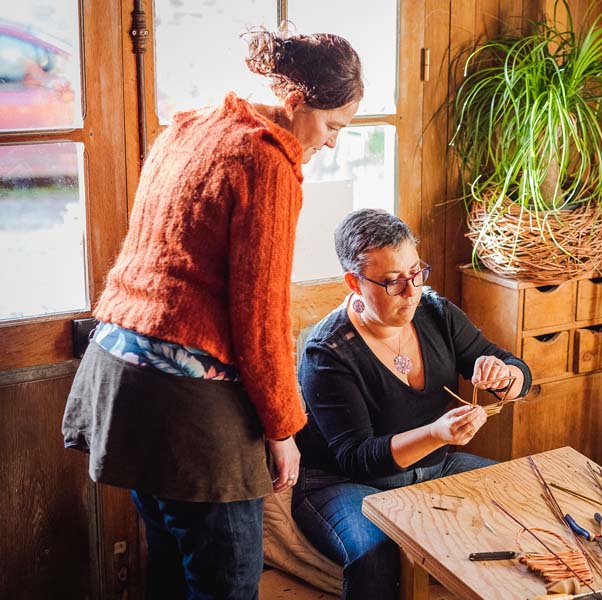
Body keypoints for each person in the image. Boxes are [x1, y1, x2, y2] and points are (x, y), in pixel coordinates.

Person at [61, 28, 363, 599]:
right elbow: (261, 314)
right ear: (296, 101)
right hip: (188, 409)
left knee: (171, 569)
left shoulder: (193, 125)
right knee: (228, 581)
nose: (330, 145)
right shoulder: (268, 159)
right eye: (331, 127)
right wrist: (284, 428)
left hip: (121, 382)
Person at [293, 209, 532, 599]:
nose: (411, 291)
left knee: (520, 498)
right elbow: (357, 458)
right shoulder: (329, 352)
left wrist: (506, 378)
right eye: (392, 282)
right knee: (377, 552)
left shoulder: (435, 311)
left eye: (416, 273)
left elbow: (516, 368)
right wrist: (438, 433)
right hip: (345, 483)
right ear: (354, 282)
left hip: (434, 467)